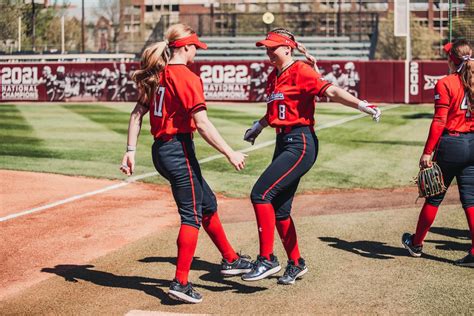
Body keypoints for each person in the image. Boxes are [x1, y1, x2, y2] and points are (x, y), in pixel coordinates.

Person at [120, 23, 253, 303]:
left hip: (165, 150)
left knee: (207, 203)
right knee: (191, 216)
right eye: (195, 48)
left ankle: (230, 259)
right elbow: (202, 124)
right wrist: (230, 152)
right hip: (177, 150)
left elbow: (136, 114)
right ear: (186, 47)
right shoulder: (185, 77)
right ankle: (180, 283)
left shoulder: (158, 74)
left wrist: (130, 151)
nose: (197, 53)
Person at [241, 28, 382, 284]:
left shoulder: (301, 71)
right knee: (280, 209)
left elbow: (332, 92)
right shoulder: (275, 76)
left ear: (287, 48)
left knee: (260, 194)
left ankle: (267, 259)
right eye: (266, 47)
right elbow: (275, 110)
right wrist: (259, 126)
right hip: (283, 140)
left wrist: (362, 105)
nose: (268, 52)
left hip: (300, 143)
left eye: (273, 47)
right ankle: (296, 263)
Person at [402, 39, 474, 267]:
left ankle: (416, 243)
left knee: (434, 197)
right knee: (471, 200)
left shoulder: (445, 83)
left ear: (451, 60)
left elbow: (439, 121)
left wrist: (427, 152)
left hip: (450, 146)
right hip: (472, 144)